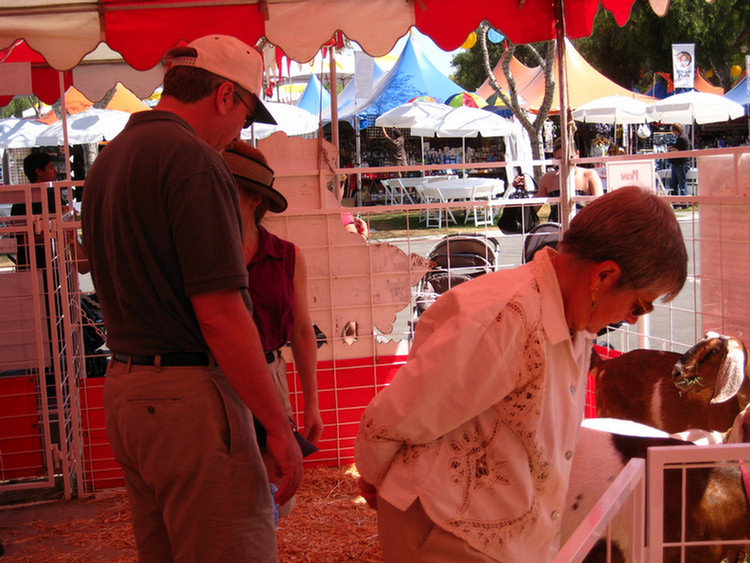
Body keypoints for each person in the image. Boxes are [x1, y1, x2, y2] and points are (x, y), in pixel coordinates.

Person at [355, 186, 687, 563]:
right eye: (640, 305)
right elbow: (393, 419)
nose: (631, 318)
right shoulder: (504, 317)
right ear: (604, 277)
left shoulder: (570, 320)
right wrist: (374, 474)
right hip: (446, 536)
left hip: (498, 539)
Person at [81, 35, 302, 563]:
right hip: (189, 399)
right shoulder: (196, 161)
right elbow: (222, 314)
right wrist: (277, 426)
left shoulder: (107, 164)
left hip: (128, 391)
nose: (239, 130)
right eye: (246, 113)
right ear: (225, 95)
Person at [222, 140, 323, 515]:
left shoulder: (286, 255)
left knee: (274, 490)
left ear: (253, 200)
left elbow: (300, 330)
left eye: (227, 189)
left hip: (269, 373)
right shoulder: (200, 254)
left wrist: (312, 401)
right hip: (212, 377)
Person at [535, 137, 603, 223]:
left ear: (577, 154)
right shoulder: (549, 178)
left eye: (570, 157)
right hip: (556, 230)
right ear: (554, 156)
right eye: (560, 159)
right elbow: (534, 207)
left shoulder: (589, 175)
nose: (566, 163)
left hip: (583, 227)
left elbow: (601, 207)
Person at [668, 122, 691, 201]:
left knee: (681, 184)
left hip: (681, 163)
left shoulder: (681, 138)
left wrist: (670, 149)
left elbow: (677, 150)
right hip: (680, 163)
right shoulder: (683, 136)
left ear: (675, 130)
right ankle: (679, 202)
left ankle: (684, 202)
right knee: (677, 184)